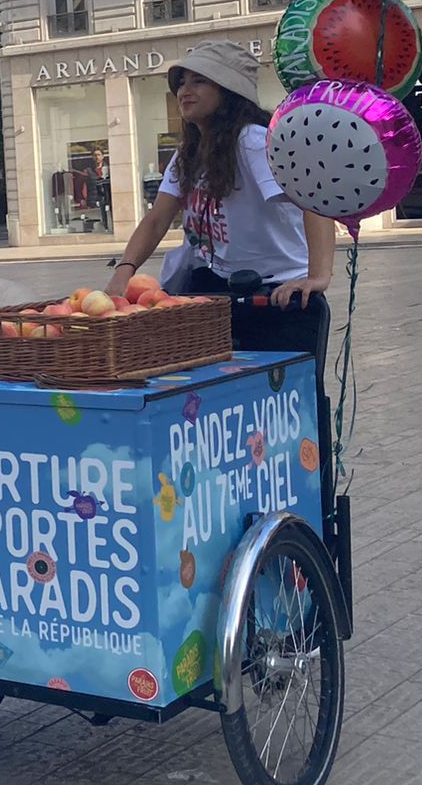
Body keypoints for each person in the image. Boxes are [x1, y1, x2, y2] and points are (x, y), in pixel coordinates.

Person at [109, 41, 336, 518]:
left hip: (279, 296)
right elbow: (156, 221)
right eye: (180, 83)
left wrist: (318, 275)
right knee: (226, 415)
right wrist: (123, 274)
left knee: (286, 417)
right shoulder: (189, 153)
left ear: (229, 89)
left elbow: (311, 196)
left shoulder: (254, 141)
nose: (184, 91)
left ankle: (298, 510)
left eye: (198, 81)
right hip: (225, 293)